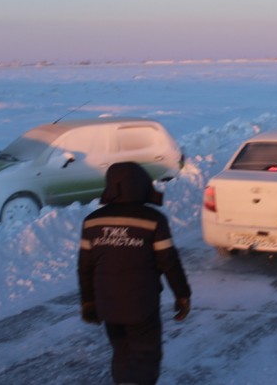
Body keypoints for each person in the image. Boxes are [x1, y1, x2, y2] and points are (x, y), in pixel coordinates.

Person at [78, 161, 191, 385]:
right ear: (141, 185)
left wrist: (88, 301)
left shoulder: (92, 223)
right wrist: (182, 294)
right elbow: (169, 262)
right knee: (145, 355)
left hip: (108, 305)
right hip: (142, 305)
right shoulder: (152, 220)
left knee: (121, 351)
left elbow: (85, 267)